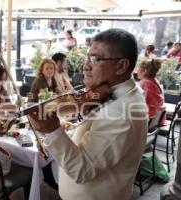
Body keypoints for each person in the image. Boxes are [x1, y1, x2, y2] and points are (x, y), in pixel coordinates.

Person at [28, 28, 148, 200]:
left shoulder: (123, 113)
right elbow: (92, 138)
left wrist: (53, 131)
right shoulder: (110, 93)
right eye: (88, 57)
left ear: (121, 66)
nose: (86, 66)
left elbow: (83, 170)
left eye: (96, 59)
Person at [138, 59, 167, 125]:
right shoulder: (154, 81)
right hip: (158, 119)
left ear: (144, 71)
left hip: (151, 122)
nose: (137, 71)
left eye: (138, 68)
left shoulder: (145, 83)